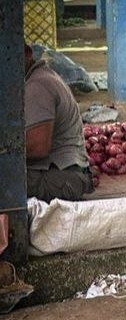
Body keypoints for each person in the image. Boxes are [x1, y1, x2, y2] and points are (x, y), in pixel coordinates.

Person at [24, 44, 92, 202]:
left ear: (27, 54)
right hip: (64, 174)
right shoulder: (40, 77)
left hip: (63, 178)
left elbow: (39, 147)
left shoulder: (37, 86)